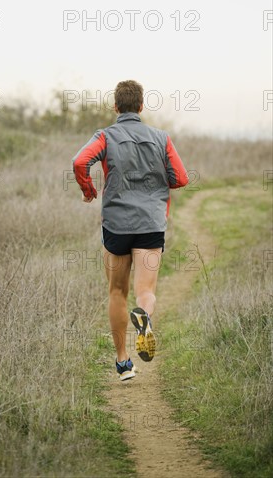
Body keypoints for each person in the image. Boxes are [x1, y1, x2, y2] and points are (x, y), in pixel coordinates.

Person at [72, 80, 189, 381]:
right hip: (150, 223)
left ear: (115, 107)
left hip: (117, 225)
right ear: (140, 106)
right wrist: (159, 183)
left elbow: (80, 161)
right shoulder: (161, 138)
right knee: (146, 291)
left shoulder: (105, 136)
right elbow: (181, 178)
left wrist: (88, 191)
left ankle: (123, 362)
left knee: (116, 291)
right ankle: (145, 317)